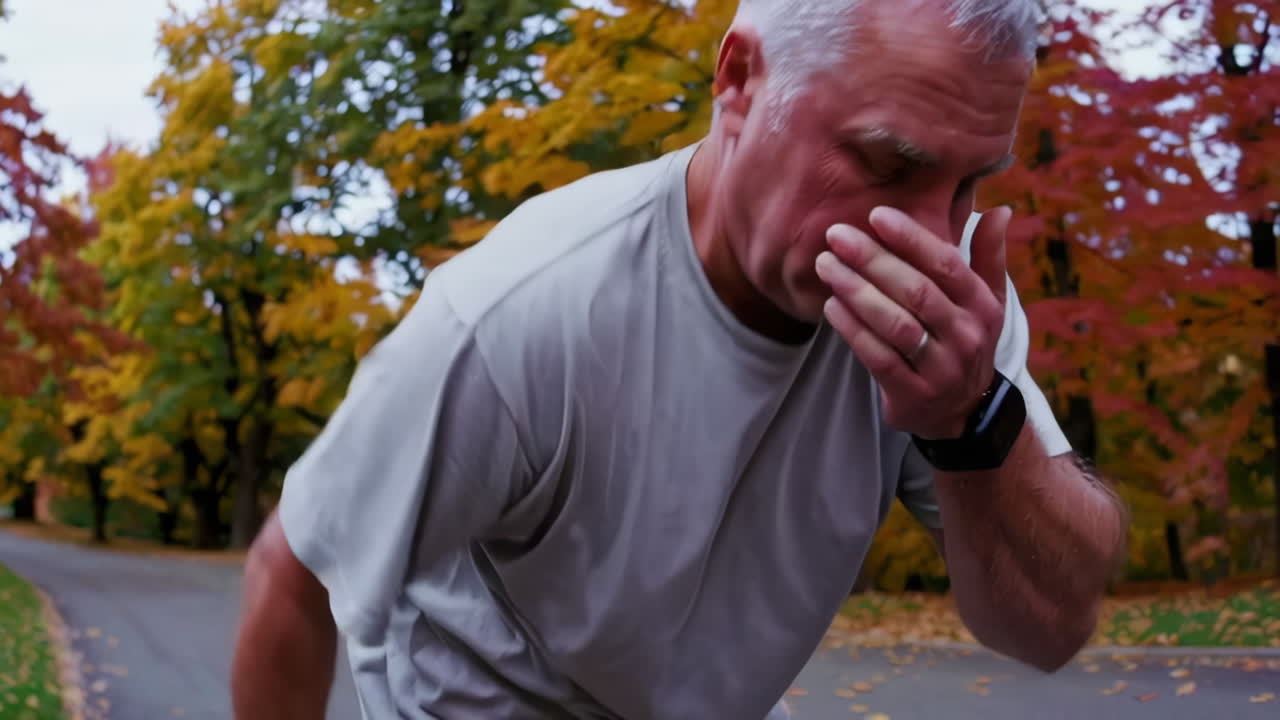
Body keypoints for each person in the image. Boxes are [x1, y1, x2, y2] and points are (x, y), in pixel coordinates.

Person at [231, 0, 1129, 717]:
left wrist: (973, 424)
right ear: (739, 81)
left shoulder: (957, 307)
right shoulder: (525, 310)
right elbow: (296, 572)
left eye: (972, 182)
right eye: (887, 166)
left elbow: (1048, 629)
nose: (930, 238)